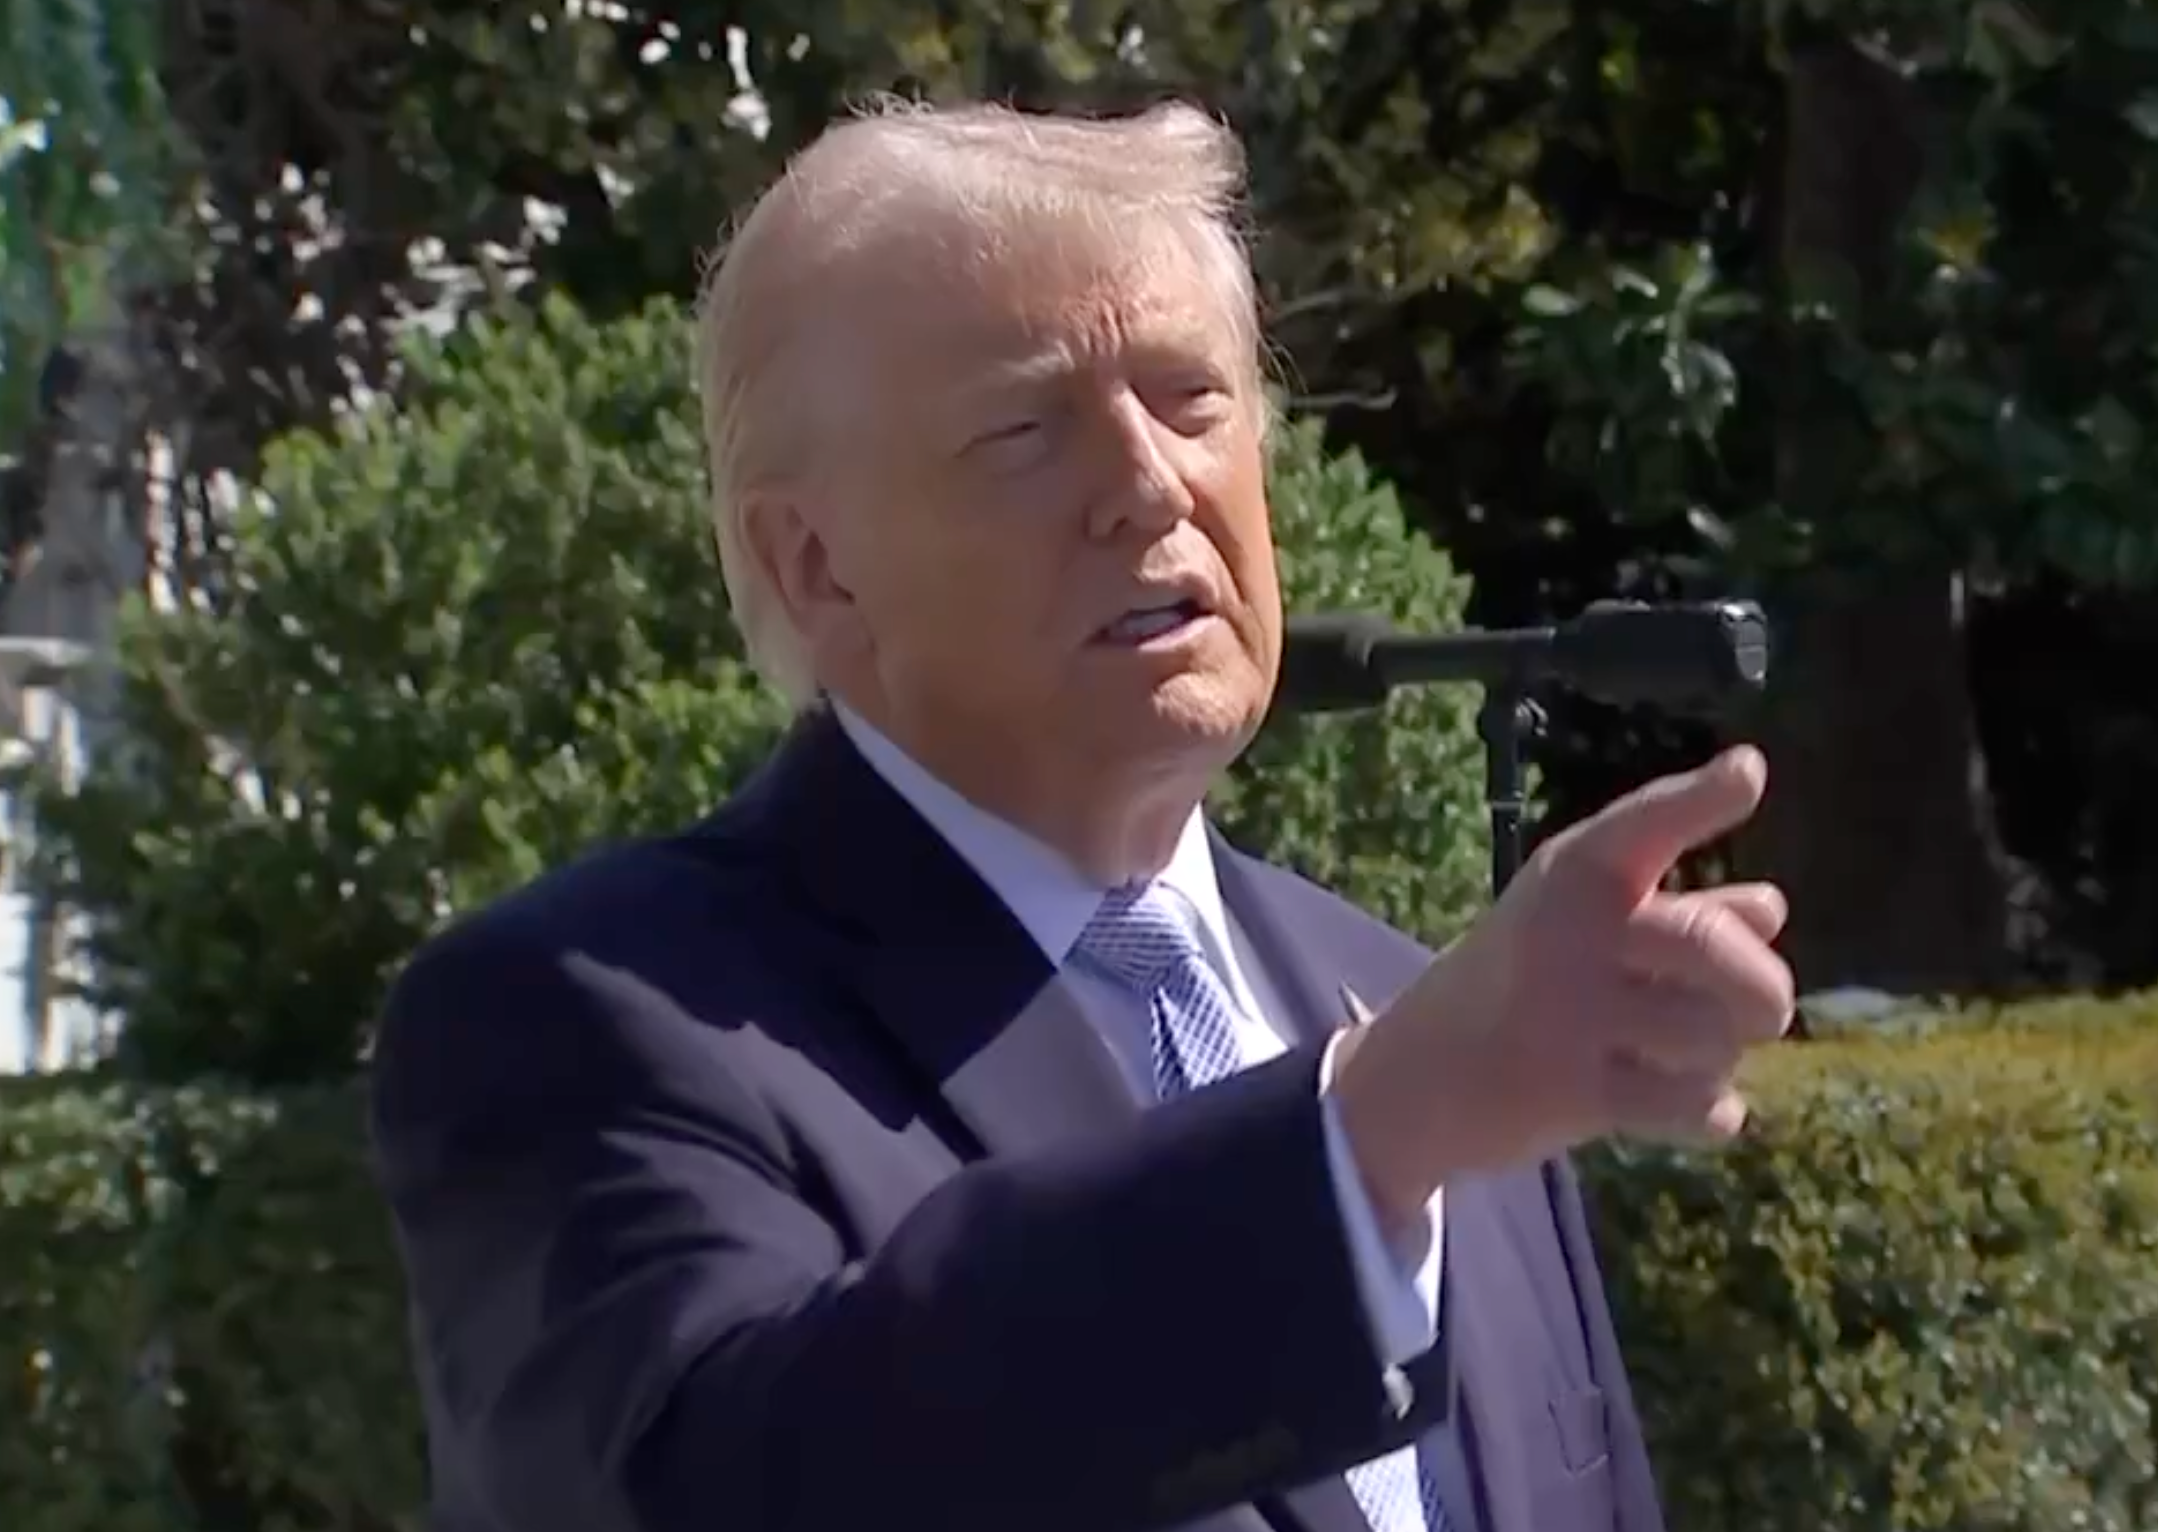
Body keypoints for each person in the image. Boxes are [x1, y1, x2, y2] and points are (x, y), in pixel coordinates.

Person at [367, 96, 1795, 1532]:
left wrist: (1394, 1108)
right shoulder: (593, 1021)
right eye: (1019, 429)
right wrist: (1356, 1144)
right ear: (816, 565)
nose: (1146, 481)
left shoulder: (1411, 1006)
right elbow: (732, 1485)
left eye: (1192, 399)